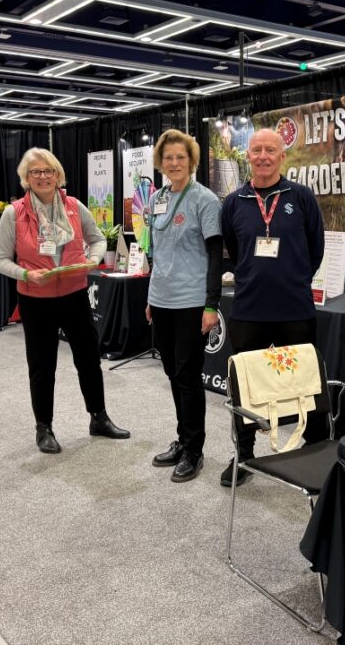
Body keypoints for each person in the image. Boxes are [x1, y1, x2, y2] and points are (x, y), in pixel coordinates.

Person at [0, 147, 130, 454]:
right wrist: (26, 275)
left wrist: (93, 260)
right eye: (35, 172)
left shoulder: (73, 206)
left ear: (58, 175)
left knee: (88, 359)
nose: (43, 177)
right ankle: (44, 428)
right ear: (26, 178)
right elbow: (0, 259)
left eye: (48, 171)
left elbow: (96, 239)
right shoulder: (13, 213)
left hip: (74, 293)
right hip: (35, 299)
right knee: (42, 365)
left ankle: (99, 417)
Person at [219, 128, 325, 486]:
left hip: (295, 309)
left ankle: (313, 449)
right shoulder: (234, 203)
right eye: (256, 150)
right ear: (247, 156)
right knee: (245, 386)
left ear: (283, 157)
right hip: (249, 310)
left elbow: (316, 251)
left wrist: (292, 279)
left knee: (305, 382)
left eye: (270, 150)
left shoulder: (302, 197)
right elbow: (235, 252)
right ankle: (245, 453)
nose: (263, 156)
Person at [144, 130, 223, 483]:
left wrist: (211, 304)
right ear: (160, 163)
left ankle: (194, 449)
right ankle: (182, 438)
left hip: (192, 301)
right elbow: (156, 252)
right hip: (161, 299)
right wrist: (150, 296)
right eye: (168, 158)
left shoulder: (204, 200)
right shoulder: (157, 198)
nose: (174, 163)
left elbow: (214, 254)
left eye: (181, 157)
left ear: (191, 161)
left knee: (188, 376)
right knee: (171, 373)